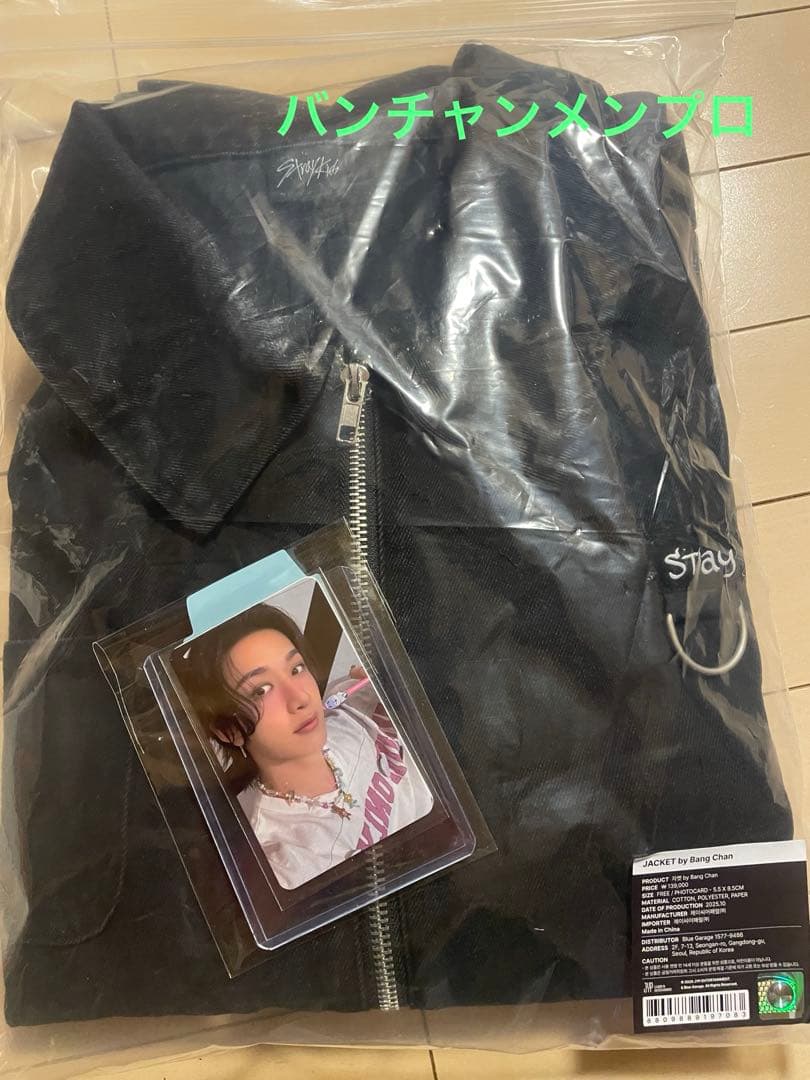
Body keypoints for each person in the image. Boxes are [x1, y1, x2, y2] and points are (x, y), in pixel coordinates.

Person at [175, 602, 434, 889]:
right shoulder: (285, 862)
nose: (300, 698)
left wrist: (411, 688)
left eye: (296, 668)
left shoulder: (355, 704)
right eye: (261, 690)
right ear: (229, 732)